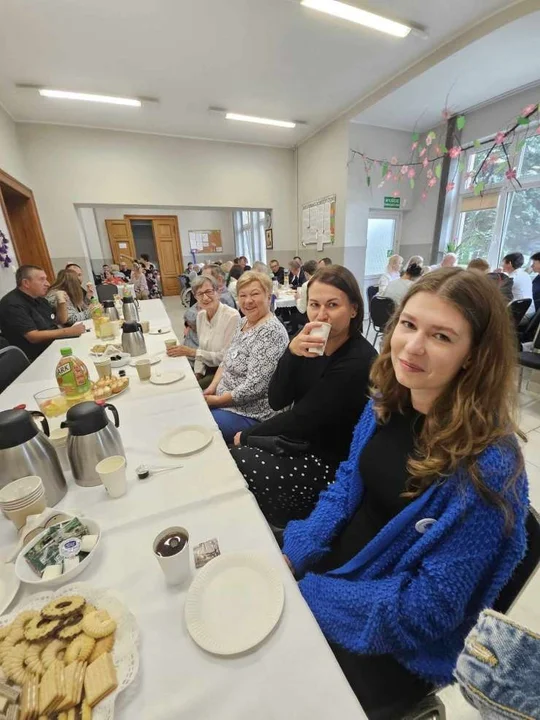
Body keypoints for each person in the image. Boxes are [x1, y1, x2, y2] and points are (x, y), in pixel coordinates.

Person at [281, 268, 528, 720]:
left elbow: (426, 611)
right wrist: (295, 553)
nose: (412, 347)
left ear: (473, 355)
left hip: (391, 635)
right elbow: (344, 488)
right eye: (409, 325)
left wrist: (310, 595)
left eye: (441, 336)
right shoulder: (386, 401)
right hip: (337, 574)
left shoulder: (487, 466)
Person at [231, 265, 377, 526]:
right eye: (315, 305)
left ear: (354, 309)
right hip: (302, 441)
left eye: (333, 305)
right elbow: (277, 400)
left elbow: (301, 418)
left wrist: (248, 436)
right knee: (235, 457)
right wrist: (291, 353)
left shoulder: (357, 360)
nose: (322, 315)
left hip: (331, 460)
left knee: (238, 459)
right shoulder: (310, 341)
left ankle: (279, 527)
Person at [203, 271, 289, 443]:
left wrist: (216, 401)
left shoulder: (270, 332)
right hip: (225, 396)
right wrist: (212, 387)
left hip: (251, 412)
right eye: (242, 295)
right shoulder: (243, 321)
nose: (248, 301)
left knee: (202, 424)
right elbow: (227, 358)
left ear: (268, 296)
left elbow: (254, 387)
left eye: (255, 294)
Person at [0, 265, 85, 362]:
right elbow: (33, 336)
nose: (48, 284)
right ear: (26, 283)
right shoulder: (12, 303)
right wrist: (69, 331)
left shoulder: (40, 299)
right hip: (35, 358)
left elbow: (60, 320)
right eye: (42, 280)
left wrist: (62, 303)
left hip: (54, 347)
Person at [167, 276, 239, 389]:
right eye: (200, 294)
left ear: (217, 292)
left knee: (188, 390)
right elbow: (202, 348)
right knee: (177, 382)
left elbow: (226, 358)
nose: (205, 297)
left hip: (224, 372)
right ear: (195, 297)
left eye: (209, 291)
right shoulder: (200, 316)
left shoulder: (231, 316)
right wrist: (198, 373)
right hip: (207, 368)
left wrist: (192, 352)